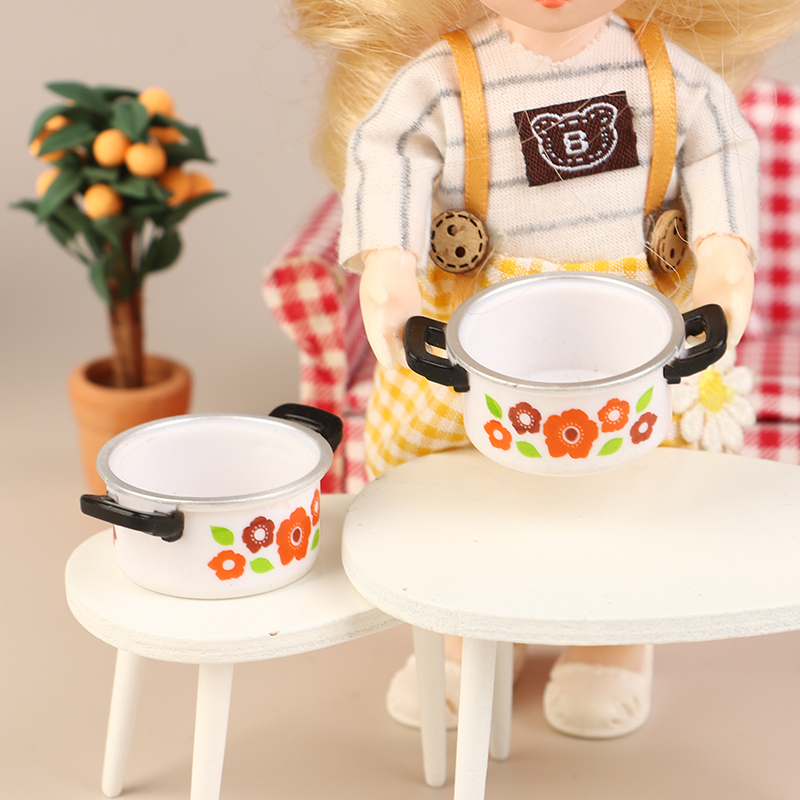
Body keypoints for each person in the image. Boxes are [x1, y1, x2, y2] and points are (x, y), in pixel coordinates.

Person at [291, 0, 800, 738]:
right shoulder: (444, 78)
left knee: (630, 485)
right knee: (458, 486)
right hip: (479, 331)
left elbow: (722, 150)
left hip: (629, 336)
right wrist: (389, 269)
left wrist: (724, 263)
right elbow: (388, 153)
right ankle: (468, 629)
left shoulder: (667, 74)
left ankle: (613, 637)